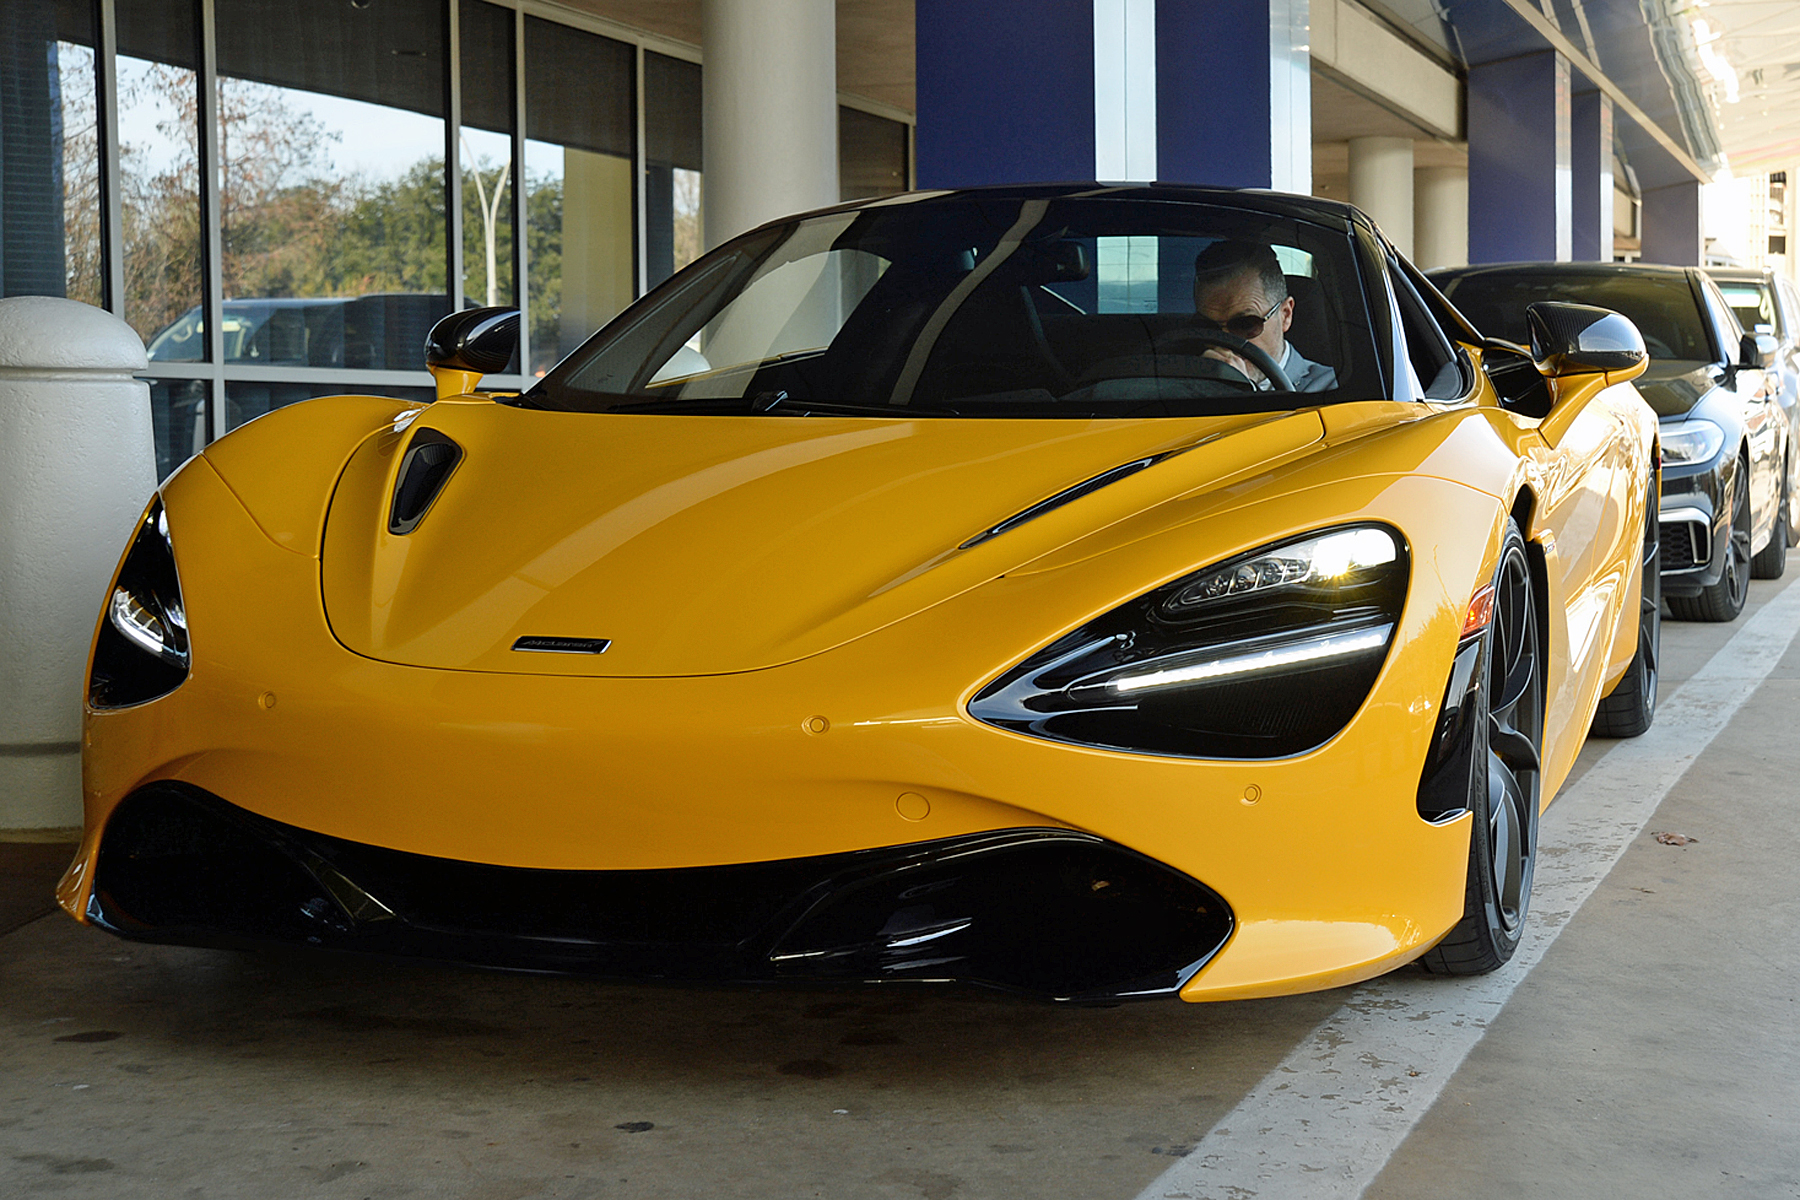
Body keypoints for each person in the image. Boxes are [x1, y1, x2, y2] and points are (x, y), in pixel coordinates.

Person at [1190, 240, 1337, 392]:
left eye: (1245, 325)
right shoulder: (1181, 382)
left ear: (1285, 315)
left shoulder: (1332, 390)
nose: (1224, 342)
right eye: (1208, 327)